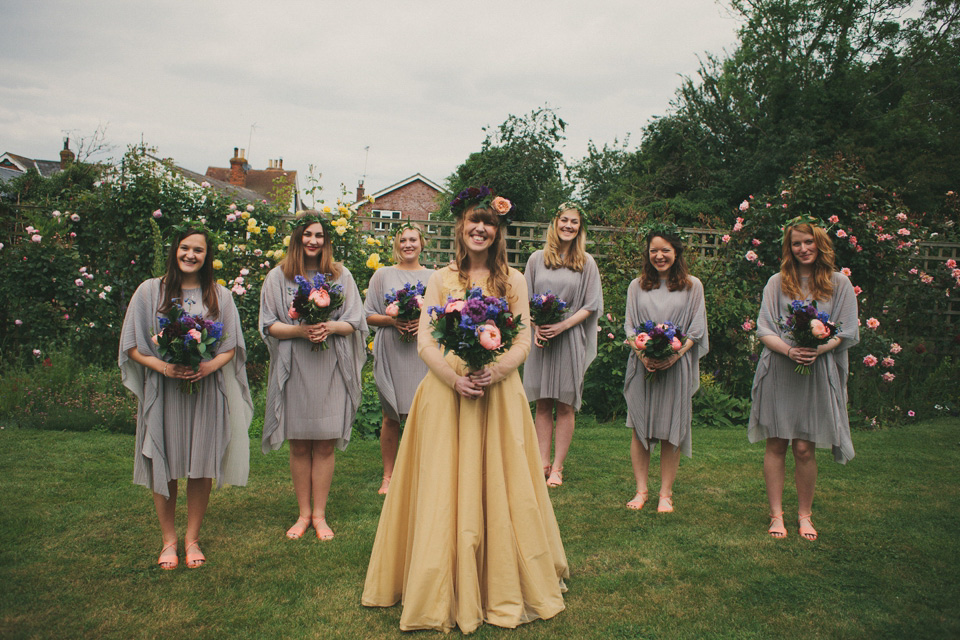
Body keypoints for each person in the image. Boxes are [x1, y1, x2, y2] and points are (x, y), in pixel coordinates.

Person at [362, 188, 568, 633]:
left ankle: (500, 581)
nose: (480, 229)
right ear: (461, 229)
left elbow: (522, 340)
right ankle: (436, 582)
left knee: (501, 482)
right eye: (473, 223)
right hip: (445, 391)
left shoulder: (513, 280)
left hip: (497, 394)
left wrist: (493, 374)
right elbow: (426, 341)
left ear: (497, 233)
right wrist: (454, 378)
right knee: (441, 485)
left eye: (488, 224)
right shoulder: (440, 277)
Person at [119, 227, 252, 570]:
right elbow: (132, 346)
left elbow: (231, 347)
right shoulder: (150, 291)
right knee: (163, 459)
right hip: (164, 390)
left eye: (199, 250)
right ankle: (168, 541)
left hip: (205, 390)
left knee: (200, 464)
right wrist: (163, 367)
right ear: (175, 250)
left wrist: (207, 368)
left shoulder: (219, 296)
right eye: (185, 248)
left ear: (207, 257)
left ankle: (192, 538)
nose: (191, 255)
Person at [259, 211, 367, 541]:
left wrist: (329, 326)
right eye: (307, 234)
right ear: (297, 239)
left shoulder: (340, 275)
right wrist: (300, 330)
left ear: (326, 241)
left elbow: (354, 321)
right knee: (299, 443)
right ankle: (303, 514)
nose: (313, 241)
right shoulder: (278, 278)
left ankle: (320, 515)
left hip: (330, 367)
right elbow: (268, 325)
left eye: (319, 236)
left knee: (323, 444)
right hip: (295, 368)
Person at [748, 218, 858, 540]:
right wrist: (790, 351)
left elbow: (847, 330)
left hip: (816, 372)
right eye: (796, 243)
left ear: (820, 243)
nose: (803, 248)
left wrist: (819, 348)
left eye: (808, 242)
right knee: (777, 442)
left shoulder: (839, 284)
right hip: (781, 370)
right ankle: (776, 515)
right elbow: (764, 328)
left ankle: (805, 515)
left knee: (805, 447)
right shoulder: (776, 283)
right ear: (789, 248)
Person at [623, 228, 708, 513]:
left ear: (676, 252)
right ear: (647, 254)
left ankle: (665, 494)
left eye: (665, 250)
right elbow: (629, 327)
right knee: (640, 429)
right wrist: (642, 355)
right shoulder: (637, 286)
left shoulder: (692, 285)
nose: (659, 256)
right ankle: (641, 490)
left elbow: (696, 330)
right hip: (643, 364)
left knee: (673, 430)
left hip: (676, 366)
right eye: (654, 251)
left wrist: (674, 356)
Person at [523, 203, 603, 487]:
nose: (569, 226)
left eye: (575, 222)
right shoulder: (536, 259)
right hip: (541, 339)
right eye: (564, 220)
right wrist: (537, 326)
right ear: (555, 223)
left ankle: (558, 467)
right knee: (542, 403)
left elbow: (591, 305)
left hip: (570, 338)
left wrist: (562, 325)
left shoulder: (586, 262)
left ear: (580, 228)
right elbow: (525, 298)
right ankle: (542, 463)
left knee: (565, 404)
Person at [364, 223, 434, 495]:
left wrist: (424, 323)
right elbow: (368, 314)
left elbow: (443, 313)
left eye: (413, 240)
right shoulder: (382, 275)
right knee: (390, 414)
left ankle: (421, 473)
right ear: (396, 244)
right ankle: (389, 476)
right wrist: (393, 321)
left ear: (421, 244)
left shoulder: (433, 276)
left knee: (424, 414)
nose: (408, 244)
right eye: (403, 240)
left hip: (421, 352)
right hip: (391, 348)